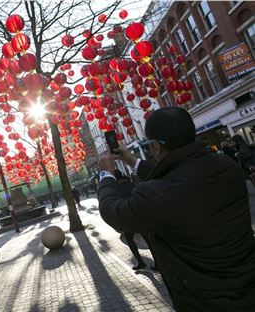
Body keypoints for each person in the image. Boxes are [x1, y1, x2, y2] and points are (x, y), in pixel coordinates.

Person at [97, 107, 255, 311]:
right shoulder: (227, 167)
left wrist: (106, 175)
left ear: (155, 147)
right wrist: (134, 162)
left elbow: (113, 211)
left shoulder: (157, 195)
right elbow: (178, 175)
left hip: (205, 300)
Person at [113, 170, 148, 271]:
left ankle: (140, 262)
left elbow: (117, 206)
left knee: (130, 240)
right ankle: (157, 262)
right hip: (139, 215)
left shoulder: (116, 189)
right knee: (147, 238)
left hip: (127, 218)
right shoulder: (131, 184)